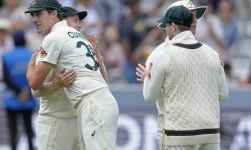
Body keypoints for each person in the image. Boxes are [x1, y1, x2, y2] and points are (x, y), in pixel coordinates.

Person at [25, 1, 119, 150]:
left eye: (38, 14)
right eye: (75, 20)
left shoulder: (68, 41)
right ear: (63, 19)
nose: (79, 25)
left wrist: (99, 58)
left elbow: (102, 82)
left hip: (83, 113)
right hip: (57, 118)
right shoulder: (63, 41)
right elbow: (35, 89)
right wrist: (57, 83)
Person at [137, 5, 228, 150]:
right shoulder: (213, 54)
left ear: (173, 27)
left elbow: (149, 97)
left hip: (179, 133)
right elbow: (223, 95)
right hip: (210, 133)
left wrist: (148, 79)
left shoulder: (161, 55)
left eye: (166, 25)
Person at [2, 30, 36, 150]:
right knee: (28, 128)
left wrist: (18, 92)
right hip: (28, 98)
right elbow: (35, 75)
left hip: (12, 98)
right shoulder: (31, 55)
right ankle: (31, 147)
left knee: (13, 129)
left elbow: (6, 78)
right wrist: (25, 91)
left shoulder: (6, 56)